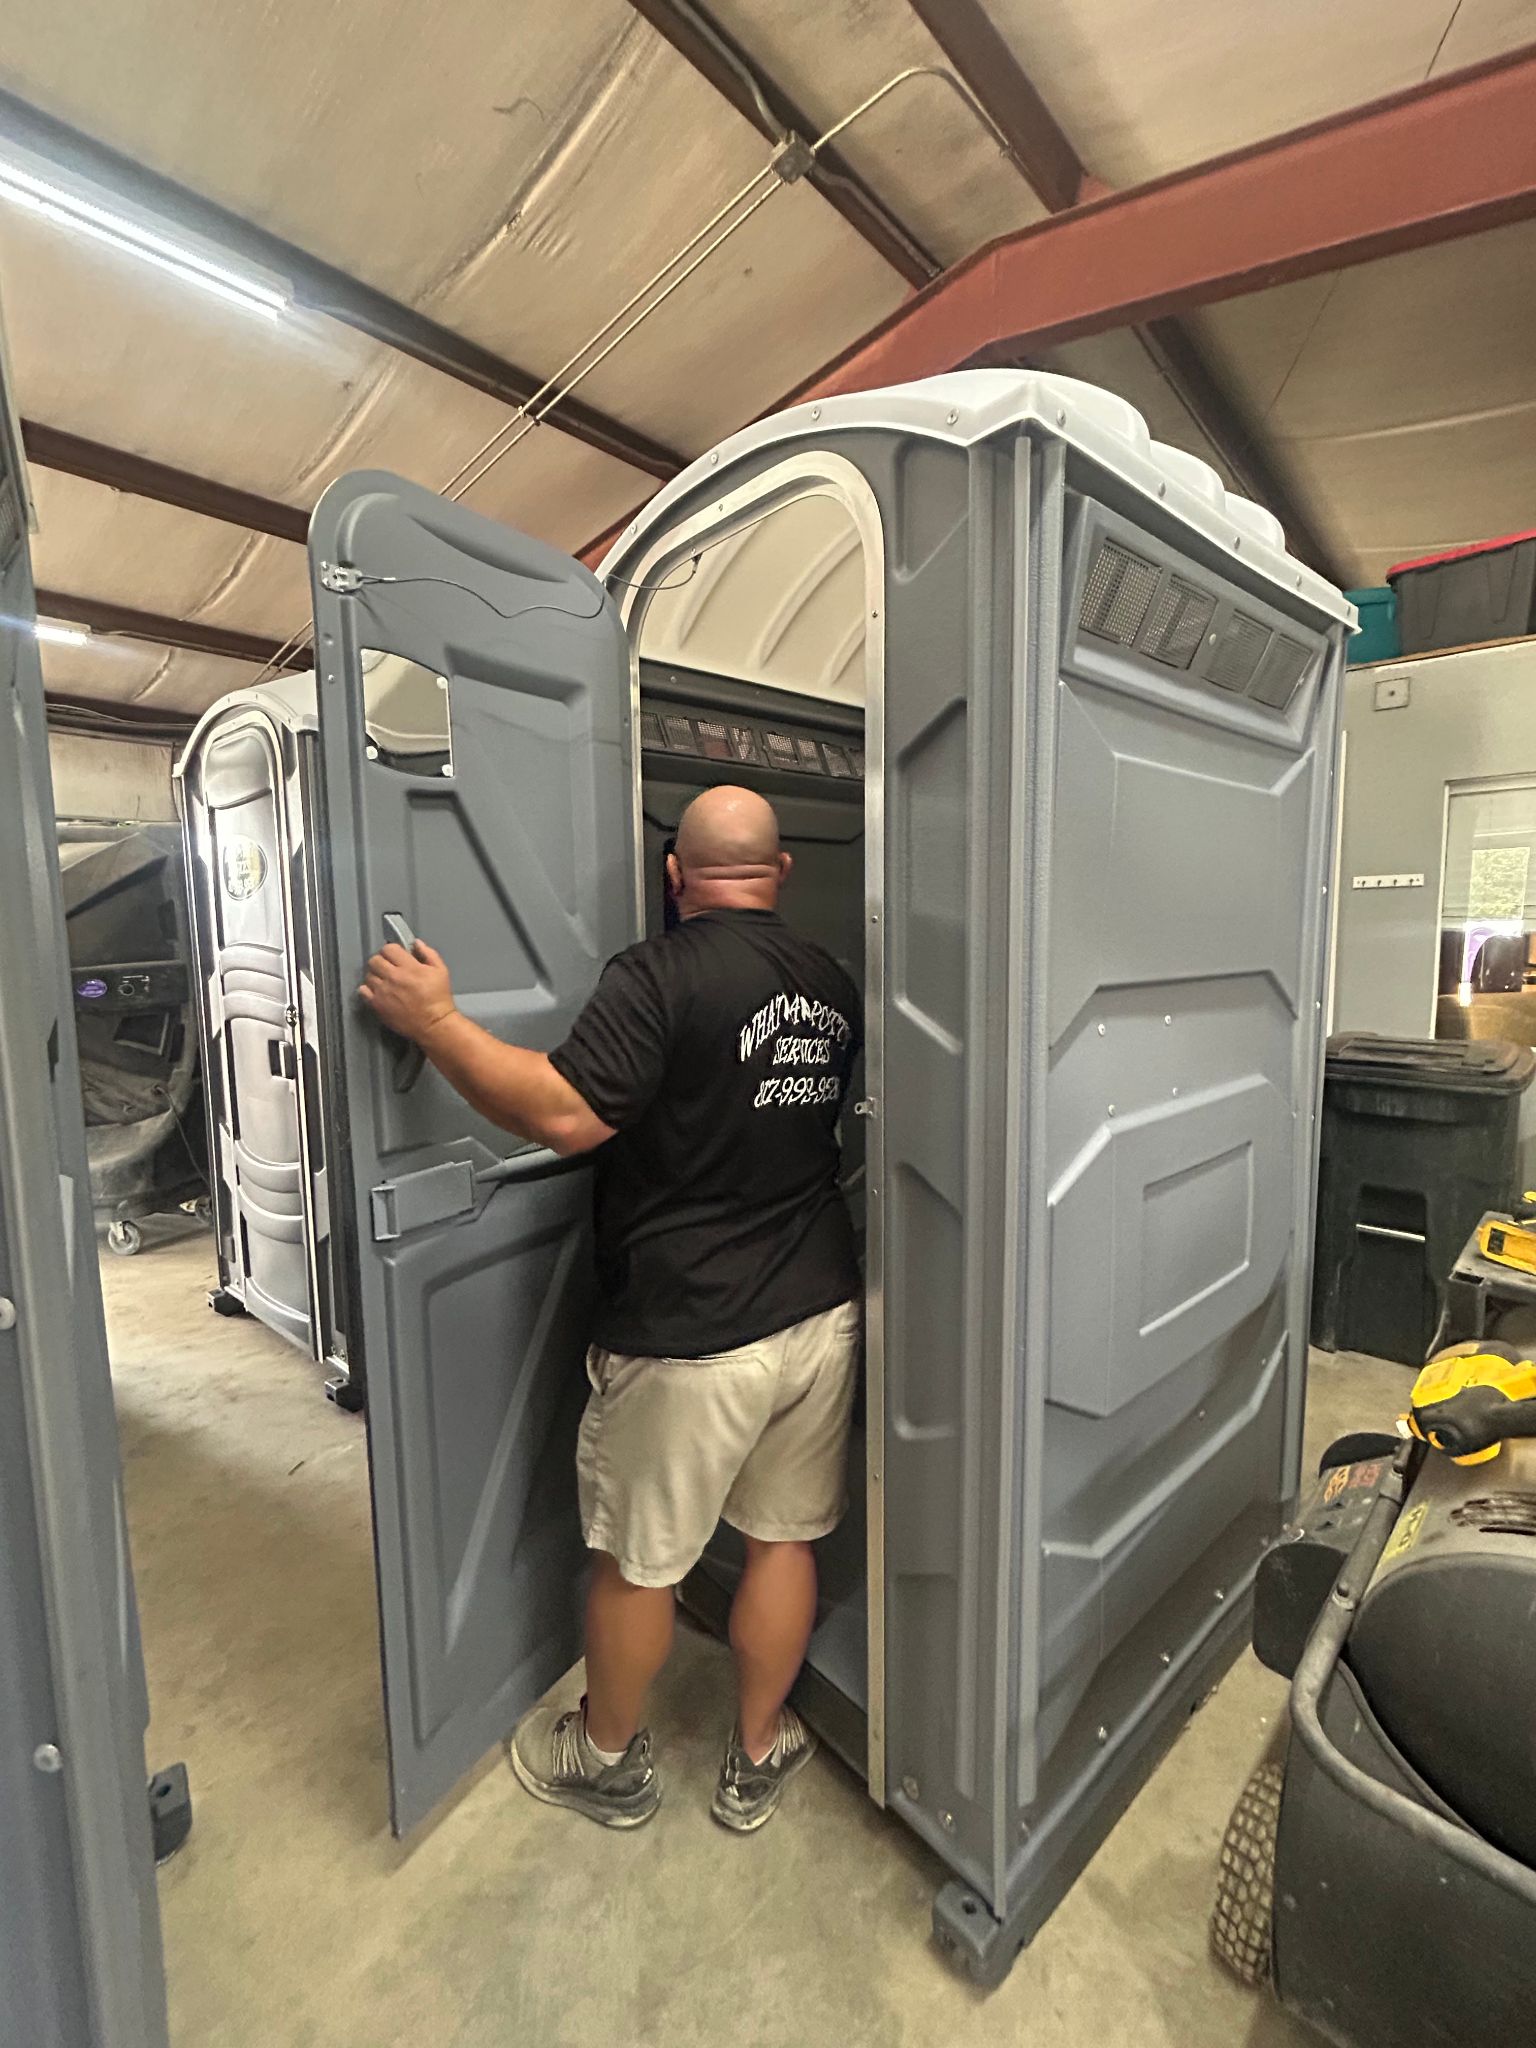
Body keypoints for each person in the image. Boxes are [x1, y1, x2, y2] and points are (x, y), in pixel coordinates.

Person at [359, 785, 863, 1833]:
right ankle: (759, 1752)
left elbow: (563, 1113)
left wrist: (436, 1020)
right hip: (816, 1310)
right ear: (780, 874)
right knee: (782, 1539)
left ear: (674, 875)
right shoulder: (829, 979)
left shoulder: (659, 973)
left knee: (639, 1565)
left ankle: (605, 1756)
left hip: (691, 1333)